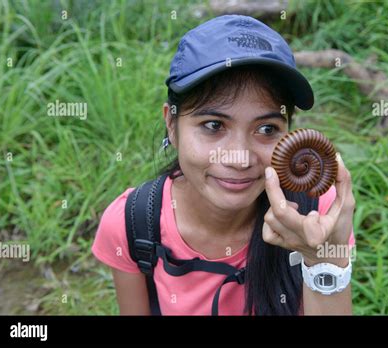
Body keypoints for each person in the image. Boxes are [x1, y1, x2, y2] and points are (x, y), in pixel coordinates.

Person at [92, 14, 356, 315]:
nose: (239, 158)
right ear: (171, 124)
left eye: (267, 129)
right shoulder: (132, 224)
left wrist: (324, 258)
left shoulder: (315, 215)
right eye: (214, 125)